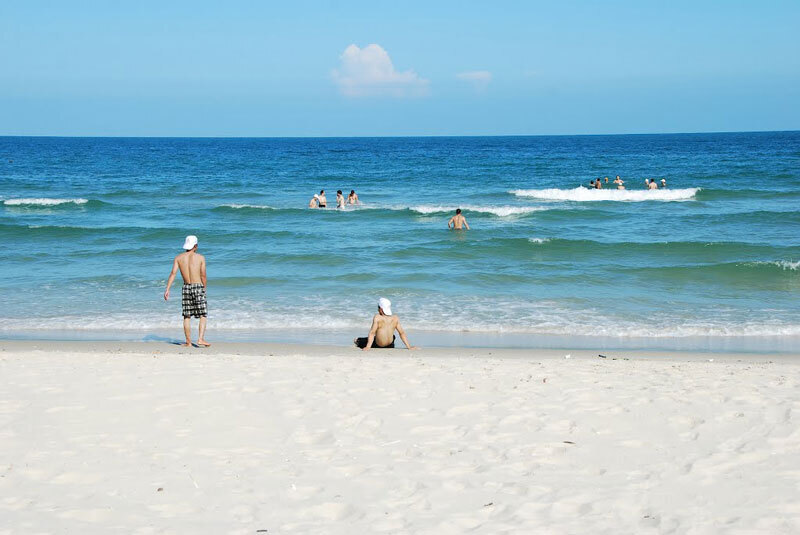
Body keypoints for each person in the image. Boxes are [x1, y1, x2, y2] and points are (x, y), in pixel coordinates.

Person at [164, 235, 210, 347]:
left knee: (187, 316)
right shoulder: (200, 258)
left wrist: (167, 289)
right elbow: (203, 275)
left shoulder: (178, 258)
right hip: (198, 286)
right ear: (196, 246)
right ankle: (200, 339)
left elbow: (173, 273)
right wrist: (204, 288)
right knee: (203, 314)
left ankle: (188, 342)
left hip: (186, 287)